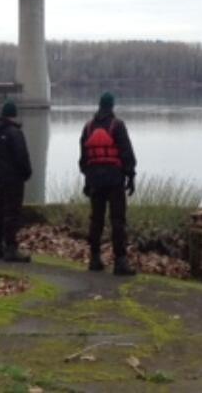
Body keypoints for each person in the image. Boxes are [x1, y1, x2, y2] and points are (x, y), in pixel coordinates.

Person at [79, 91, 137, 275]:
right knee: (117, 221)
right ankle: (120, 262)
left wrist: (88, 179)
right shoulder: (117, 125)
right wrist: (131, 176)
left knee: (96, 220)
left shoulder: (88, 127)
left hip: (95, 181)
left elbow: (83, 159)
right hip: (114, 180)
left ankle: (94, 259)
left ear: (99, 106)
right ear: (112, 106)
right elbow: (126, 153)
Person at [0, 98, 33, 262]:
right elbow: (22, 157)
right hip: (13, 180)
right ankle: (11, 249)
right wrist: (26, 174)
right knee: (12, 213)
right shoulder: (15, 133)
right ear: (13, 115)